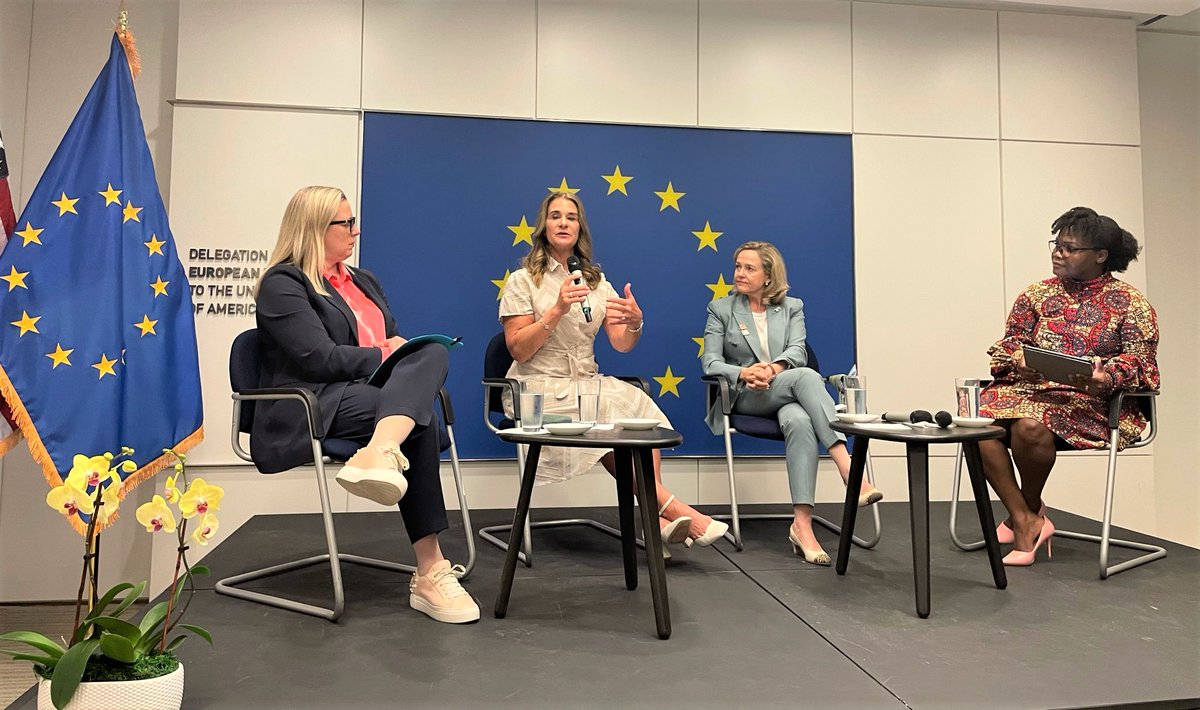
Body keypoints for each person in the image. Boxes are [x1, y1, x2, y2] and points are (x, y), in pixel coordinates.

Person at [253, 185, 478, 623]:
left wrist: (397, 353)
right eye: (347, 222)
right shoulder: (283, 283)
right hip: (315, 402)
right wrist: (384, 354)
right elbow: (317, 358)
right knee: (422, 421)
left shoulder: (363, 280)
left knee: (431, 352)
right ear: (317, 228)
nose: (356, 230)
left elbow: (395, 345)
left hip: (372, 393)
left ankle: (379, 451)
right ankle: (430, 570)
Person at [499, 191, 728, 558]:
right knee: (606, 412)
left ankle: (657, 516)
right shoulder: (522, 281)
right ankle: (673, 511)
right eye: (555, 216)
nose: (563, 223)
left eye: (571, 217)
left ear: (579, 228)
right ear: (543, 226)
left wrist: (636, 323)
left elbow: (621, 344)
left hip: (587, 384)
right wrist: (556, 310)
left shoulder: (595, 281)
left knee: (638, 406)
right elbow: (518, 349)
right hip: (536, 390)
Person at [978, 206, 1159, 566]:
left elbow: (1140, 360)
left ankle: (1023, 519)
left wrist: (1105, 377)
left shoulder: (1131, 303)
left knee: (1030, 428)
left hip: (1094, 404)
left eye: (1069, 248)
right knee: (977, 428)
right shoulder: (1035, 295)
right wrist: (1017, 360)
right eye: (1056, 244)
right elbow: (1008, 344)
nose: (1058, 253)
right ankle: (1027, 517)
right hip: (1028, 393)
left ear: (1100, 256)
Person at [701, 241, 882, 566]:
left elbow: (798, 351)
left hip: (785, 391)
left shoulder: (791, 307)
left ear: (769, 275)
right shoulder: (721, 308)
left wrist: (772, 369)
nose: (739, 273)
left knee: (799, 420)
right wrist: (744, 372)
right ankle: (848, 465)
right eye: (738, 266)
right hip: (746, 397)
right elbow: (710, 363)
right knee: (809, 378)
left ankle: (802, 525)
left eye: (749, 268)